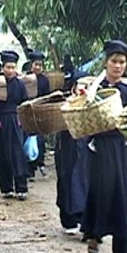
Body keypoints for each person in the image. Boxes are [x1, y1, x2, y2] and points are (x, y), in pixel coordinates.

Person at [80, 39, 127, 253]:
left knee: (123, 201)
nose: (118, 66)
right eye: (114, 61)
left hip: (121, 150)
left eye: (122, 62)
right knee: (100, 196)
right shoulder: (94, 89)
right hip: (99, 150)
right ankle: (94, 234)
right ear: (105, 63)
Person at [54, 70, 90, 235]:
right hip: (68, 146)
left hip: (87, 146)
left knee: (85, 181)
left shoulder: (94, 102)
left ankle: (85, 220)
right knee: (67, 177)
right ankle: (68, 219)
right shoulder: (65, 102)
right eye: (80, 84)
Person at [0, 50, 30, 200]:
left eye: (13, 67)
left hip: (14, 120)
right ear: (2, 67)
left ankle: (21, 188)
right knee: (0, 155)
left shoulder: (20, 84)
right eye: (8, 67)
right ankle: (6, 188)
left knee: (16, 154)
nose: (11, 71)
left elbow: (24, 102)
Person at [26, 50, 51, 179]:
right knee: (29, 141)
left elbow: (47, 96)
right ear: (31, 65)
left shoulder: (44, 80)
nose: (38, 67)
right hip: (28, 114)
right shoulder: (26, 79)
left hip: (40, 113)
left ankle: (40, 163)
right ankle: (30, 170)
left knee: (40, 141)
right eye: (36, 64)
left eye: (40, 65)